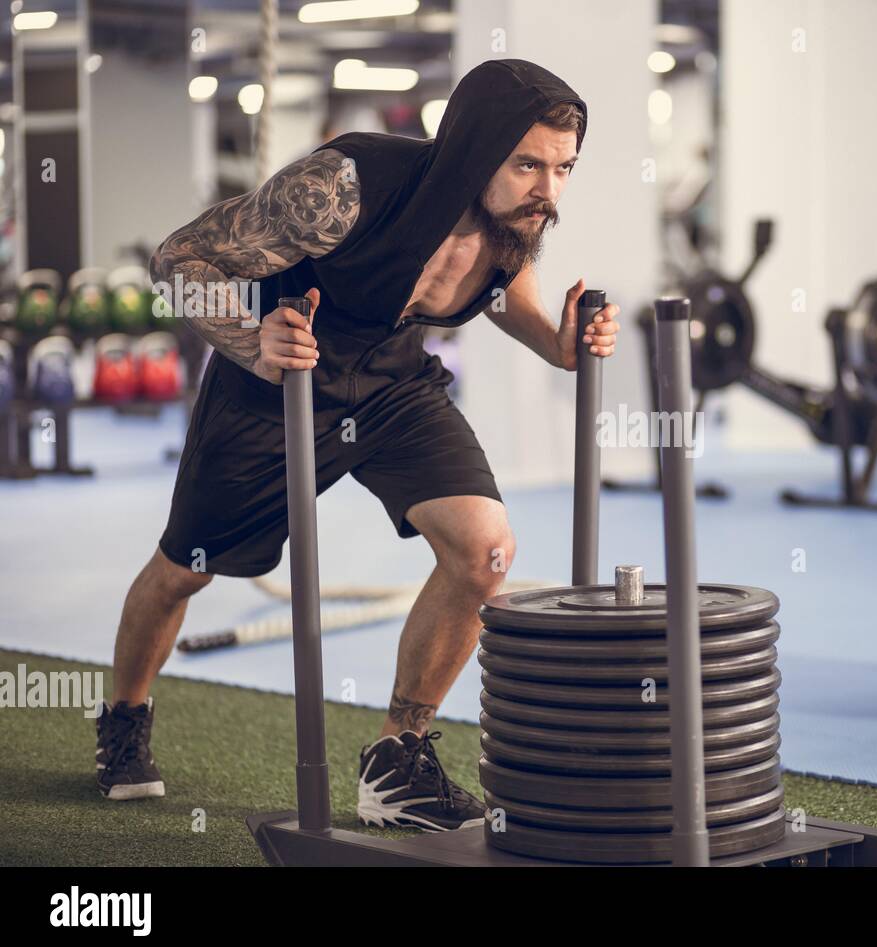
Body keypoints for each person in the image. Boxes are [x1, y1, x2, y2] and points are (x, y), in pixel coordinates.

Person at [96, 59, 621, 833]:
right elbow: (177, 259)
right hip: (279, 380)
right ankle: (123, 716)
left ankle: (397, 760)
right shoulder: (343, 189)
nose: (549, 189)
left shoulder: (519, 218)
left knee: (485, 552)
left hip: (392, 383)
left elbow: (507, 291)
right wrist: (250, 340)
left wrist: (559, 343)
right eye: (529, 165)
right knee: (184, 571)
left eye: (564, 168)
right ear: (476, 151)